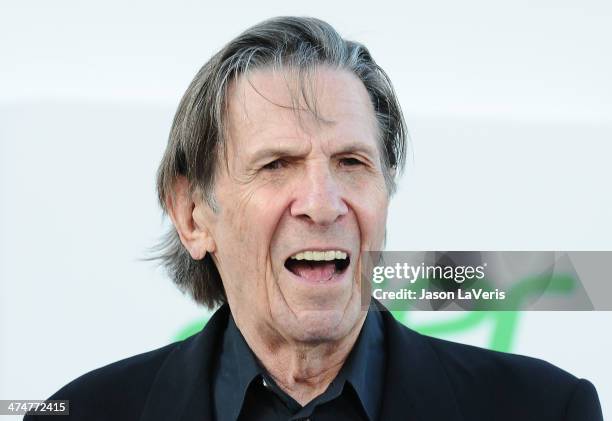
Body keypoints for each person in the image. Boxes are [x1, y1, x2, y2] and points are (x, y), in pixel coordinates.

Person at [26, 16, 603, 421]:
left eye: (352, 163)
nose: (323, 204)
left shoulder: (543, 409)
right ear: (193, 214)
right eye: (277, 165)